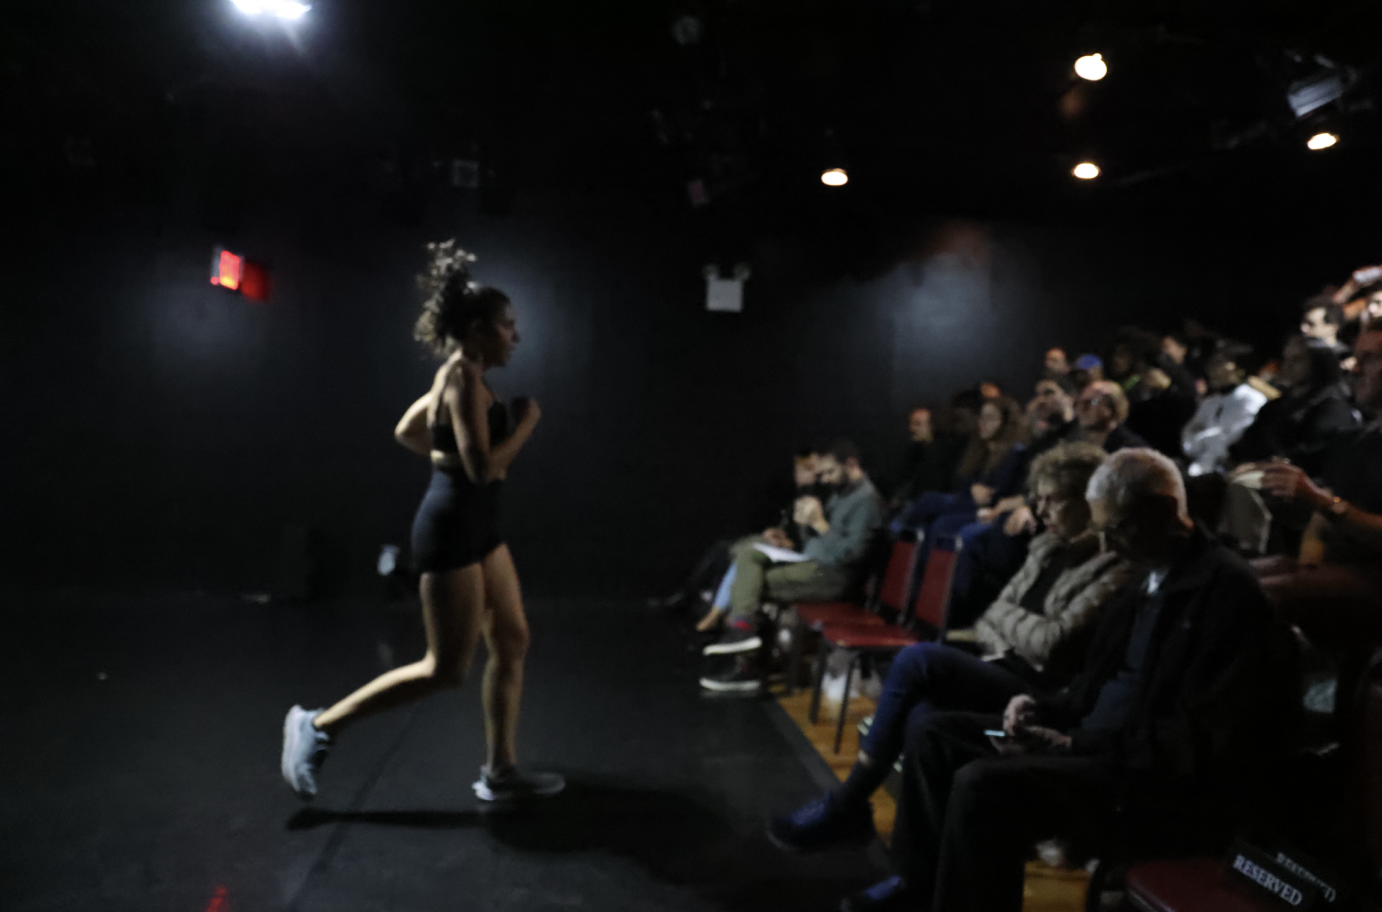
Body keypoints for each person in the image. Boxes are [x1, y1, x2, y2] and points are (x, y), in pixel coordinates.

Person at [842, 449, 1297, 912]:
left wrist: (1072, 745)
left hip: (1145, 782)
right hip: (1096, 747)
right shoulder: (1149, 576)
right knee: (934, 733)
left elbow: (1192, 741)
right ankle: (917, 886)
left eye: (1114, 529)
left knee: (985, 786)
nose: (1105, 545)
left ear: (1161, 511)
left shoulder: (1226, 593)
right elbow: (1092, 685)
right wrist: (1042, 711)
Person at [279, 241, 562, 803]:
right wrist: (526, 425)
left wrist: (443, 454)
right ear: (479, 329)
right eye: (508, 326)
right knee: (445, 669)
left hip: (481, 529)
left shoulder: (464, 376)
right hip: (453, 528)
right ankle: (317, 726)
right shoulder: (459, 378)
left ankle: (500, 771)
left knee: (512, 639)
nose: (516, 336)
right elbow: (483, 471)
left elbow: (409, 431)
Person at [766, 443, 1131, 854]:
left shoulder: (1112, 564)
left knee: (917, 658)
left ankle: (848, 802)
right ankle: (915, 872)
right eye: (1039, 498)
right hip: (1003, 663)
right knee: (923, 716)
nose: (1042, 510)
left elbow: (1053, 641)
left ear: (1089, 502)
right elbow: (992, 616)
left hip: (1038, 692)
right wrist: (1021, 628)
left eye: (1054, 500)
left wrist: (1013, 626)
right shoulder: (1045, 547)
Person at [1257, 327, 1382, 723]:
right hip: (1343, 569)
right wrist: (1310, 557)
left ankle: (1274, 732)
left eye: (1372, 359)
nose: (1355, 368)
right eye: (1356, 356)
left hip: (1375, 577)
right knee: (1230, 578)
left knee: (1257, 597)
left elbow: (1329, 504)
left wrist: (1319, 500)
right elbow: (1321, 516)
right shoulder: (1364, 437)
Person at [699, 440, 883, 694]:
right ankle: (744, 643)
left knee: (750, 580)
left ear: (851, 464)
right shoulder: (840, 494)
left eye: (830, 472)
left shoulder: (867, 501)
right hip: (812, 564)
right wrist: (798, 532)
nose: (826, 479)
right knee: (748, 551)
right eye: (824, 473)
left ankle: (743, 644)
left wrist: (819, 524)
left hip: (833, 577)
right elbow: (816, 544)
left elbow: (851, 555)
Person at [658, 450, 821, 627]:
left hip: (795, 556)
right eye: (797, 469)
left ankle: (710, 610)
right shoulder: (798, 495)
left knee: (741, 554)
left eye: (802, 470)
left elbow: (810, 542)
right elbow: (787, 527)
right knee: (724, 549)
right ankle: (691, 597)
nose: (797, 474)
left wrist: (786, 542)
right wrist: (776, 533)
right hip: (779, 546)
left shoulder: (818, 499)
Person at [1181, 340, 1268, 477]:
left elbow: (1229, 442)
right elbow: (1188, 442)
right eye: (1211, 363)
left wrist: (1203, 434)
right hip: (1199, 469)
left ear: (1238, 367)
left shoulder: (1252, 400)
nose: (1212, 368)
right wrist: (1208, 438)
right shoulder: (1209, 402)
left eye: (1219, 362)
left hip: (1228, 473)